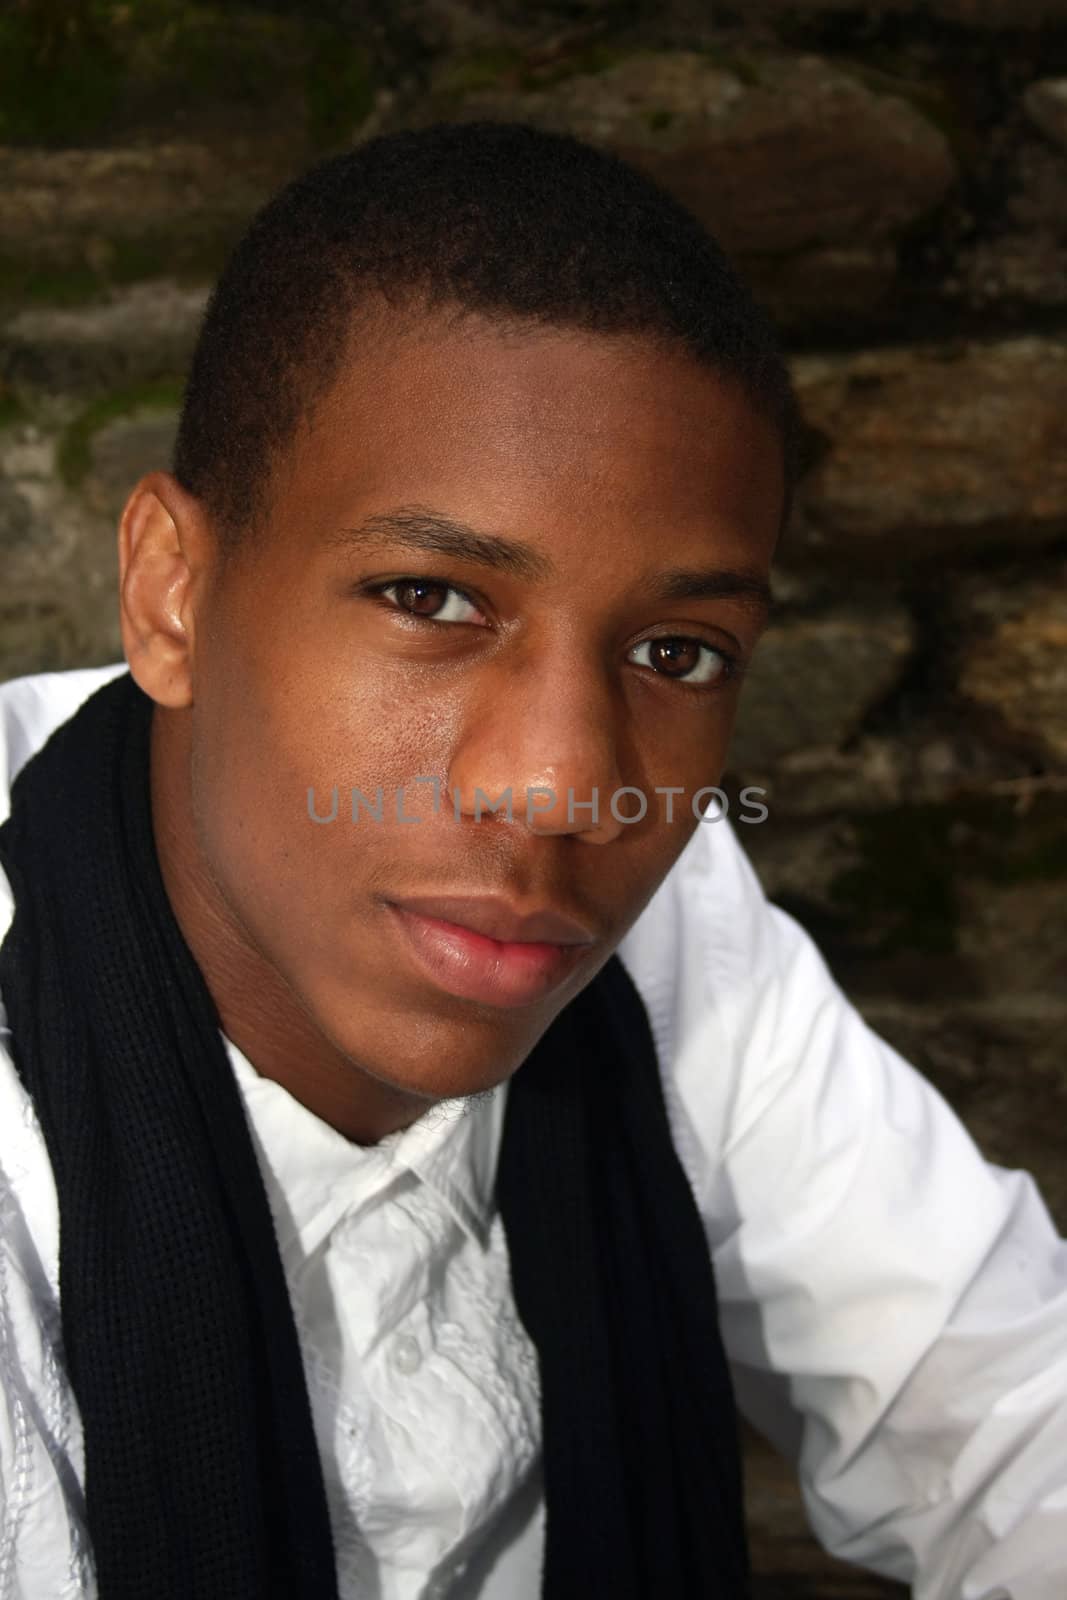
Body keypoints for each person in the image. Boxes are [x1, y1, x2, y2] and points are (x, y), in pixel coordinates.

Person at [0, 121, 1064, 1600]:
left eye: (678, 650)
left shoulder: (668, 917)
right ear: (173, 596)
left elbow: (1012, 1414)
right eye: (430, 596)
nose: (565, 785)